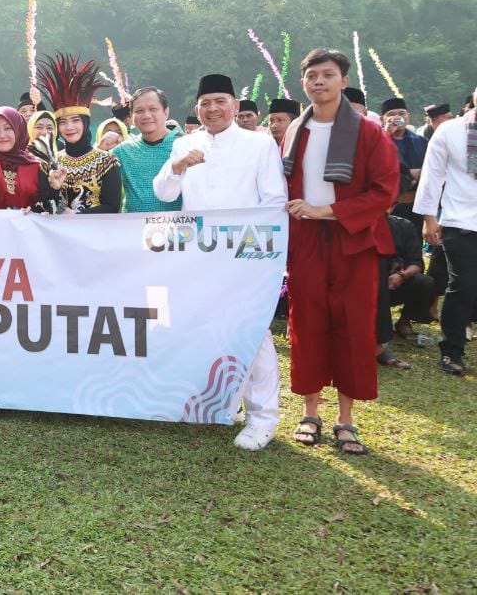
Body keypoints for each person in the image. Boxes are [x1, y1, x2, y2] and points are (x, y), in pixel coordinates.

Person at [154, 73, 286, 451]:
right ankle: (225, 402)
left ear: (234, 106)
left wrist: (255, 253)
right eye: (205, 103)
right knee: (207, 329)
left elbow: (274, 201)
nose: (212, 109)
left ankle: (263, 417)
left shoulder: (258, 146)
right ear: (197, 108)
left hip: (245, 255)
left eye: (220, 101)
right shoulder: (184, 142)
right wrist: (177, 167)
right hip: (197, 256)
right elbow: (164, 193)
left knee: (254, 333)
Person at [283, 50, 399, 455]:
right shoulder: (297, 129)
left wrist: (329, 210)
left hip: (354, 240)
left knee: (353, 326)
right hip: (308, 241)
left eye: (327, 75)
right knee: (307, 322)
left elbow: (385, 190)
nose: (319, 82)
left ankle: (345, 420)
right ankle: (310, 412)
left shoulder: (368, 131)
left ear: (343, 80)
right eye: (311, 75)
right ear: (303, 83)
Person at [414, 85, 477, 376]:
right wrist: (429, 217)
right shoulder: (450, 131)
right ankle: (452, 350)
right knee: (463, 285)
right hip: (460, 222)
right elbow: (432, 175)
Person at [35, 54, 120, 214]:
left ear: (85, 122)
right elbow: (45, 209)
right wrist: (54, 187)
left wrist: (76, 216)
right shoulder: (49, 164)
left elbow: (112, 207)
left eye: (75, 120)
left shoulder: (107, 161)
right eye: (62, 122)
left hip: (98, 236)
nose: (69, 127)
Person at [376, 197, 433, 368]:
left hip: (396, 282)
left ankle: (404, 321)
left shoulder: (403, 226)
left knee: (425, 282)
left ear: (392, 207)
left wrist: (402, 275)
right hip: (367, 284)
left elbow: (417, 263)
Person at [111, 86, 181, 213]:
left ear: (166, 112)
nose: (146, 115)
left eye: (153, 109)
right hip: (132, 228)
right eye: (139, 111)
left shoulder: (183, 146)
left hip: (176, 227)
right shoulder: (122, 151)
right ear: (131, 116)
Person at [381, 97, 427, 228]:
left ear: (408, 116)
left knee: (414, 243)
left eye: (401, 113)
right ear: (382, 118)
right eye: (391, 114)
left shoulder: (421, 141)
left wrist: (420, 173)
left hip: (416, 203)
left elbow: (431, 168)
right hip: (390, 205)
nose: (397, 117)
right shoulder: (378, 141)